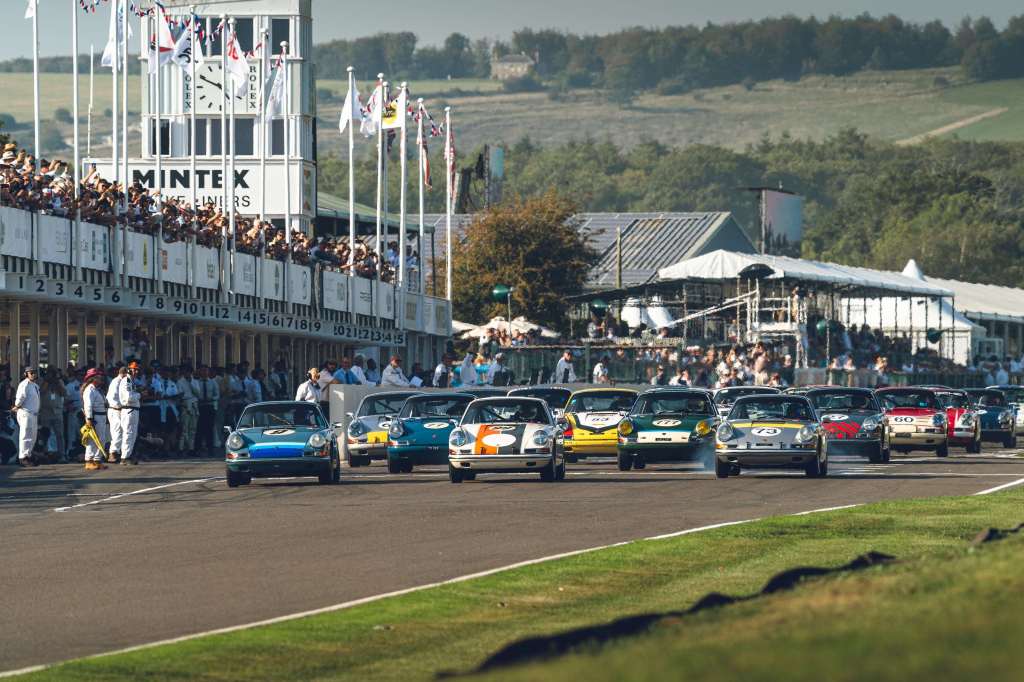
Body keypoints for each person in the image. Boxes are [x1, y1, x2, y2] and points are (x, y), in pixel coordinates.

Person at [81, 368, 109, 471]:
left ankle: (97, 460)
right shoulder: (90, 390)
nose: (101, 378)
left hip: (101, 416)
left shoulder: (97, 390)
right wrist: (89, 418)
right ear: (93, 378)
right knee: (92, 439)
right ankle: (89, 460)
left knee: (101, 439)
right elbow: (88, 405)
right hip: (95, 417)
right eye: (98, 376)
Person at [12, 367, 40, 467]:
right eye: (31, 373)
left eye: (34, 372)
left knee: (33, 436)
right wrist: (17, 405)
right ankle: (23, 457)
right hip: (25, 412)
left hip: (33, 414)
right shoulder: (24, 384)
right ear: (26, 374)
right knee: (25, 435)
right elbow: (20, 397)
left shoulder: (35, 385)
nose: (33, 374)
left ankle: (28, 454)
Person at [118, 361, 142, 465]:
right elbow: (129, 398)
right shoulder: (126, 380)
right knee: (128, 433)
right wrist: (139, 395)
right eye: (134, 369)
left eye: (137, 370)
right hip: (129, 409)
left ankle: (129, 455)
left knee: (133, 434)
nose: (136, 371)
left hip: (133, 409)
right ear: (129, 369)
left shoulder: (132, 381)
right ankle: (124, 456)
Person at [38, 372, 66, 463]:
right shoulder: (42, 381)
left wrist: (57, 382)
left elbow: (64, 393)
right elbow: (41, 392)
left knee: (60, 434)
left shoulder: (59, 382)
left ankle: (62, 455)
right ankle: (45, 454)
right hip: (46, 412)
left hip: (57, 412)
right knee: (45, 434)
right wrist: (47, 382)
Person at [195, 365, 220, 457]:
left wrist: (211, 398)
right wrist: (199, 399)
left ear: (208, 372)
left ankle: (211, 449)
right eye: (202, 371)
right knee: (199, 429)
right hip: (200, 407)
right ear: (200, 372)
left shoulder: (213, 383)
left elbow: (217, 395)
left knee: (210, 429)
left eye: (206, 371)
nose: (204, 372)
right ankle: (197, 449)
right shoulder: (196, 382)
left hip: (210, 407)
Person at [177, 366, 199, 458]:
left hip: (194, 404)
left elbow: (198, 393)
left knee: (193, 429)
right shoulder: (180, 382)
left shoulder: (194, 381)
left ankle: (191, 448)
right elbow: (180, 394)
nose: (188, 374)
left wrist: (190, 383)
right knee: (184, 429)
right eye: (186, 372)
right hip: (185, 405)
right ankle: (181, 449)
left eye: (189, 372)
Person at [106, 366, 126, 463]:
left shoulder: (122, 382)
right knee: (116, 431)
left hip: (120, 410)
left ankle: (117, 452)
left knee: (120, 431)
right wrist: (120, 407)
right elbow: (112, 398)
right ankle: (112, 453)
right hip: (115, 409)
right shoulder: (116, 382)